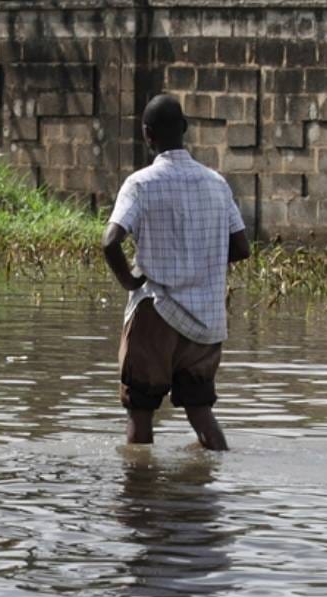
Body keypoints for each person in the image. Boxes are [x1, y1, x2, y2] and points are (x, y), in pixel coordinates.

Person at [102, 94, 251, 451]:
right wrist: (201, 263)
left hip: (157, 312)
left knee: (140, 412)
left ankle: (139, 496)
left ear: (147, 135)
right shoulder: (217, 183)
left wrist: (128, 281)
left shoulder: (141, 183)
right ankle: (210, 490)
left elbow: (110, 242)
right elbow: (242, 248)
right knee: (200, 411)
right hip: (206, 321)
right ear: (184, 129)